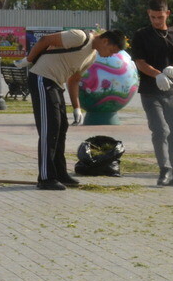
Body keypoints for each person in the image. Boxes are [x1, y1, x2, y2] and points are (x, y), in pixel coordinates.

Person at [20, 28, 125, 190]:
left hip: (56, 84)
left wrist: (77, 108)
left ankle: (60, 173)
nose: (111, 55)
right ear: (105, 41)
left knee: (61, 127)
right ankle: (46, 178)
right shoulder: (79, 37)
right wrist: (29, 59)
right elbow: (45, 40)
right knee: (50, 129)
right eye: (112, 51)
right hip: (41, 78)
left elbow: (74, 80)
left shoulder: (91, 56)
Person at [130, 0, 173, 187]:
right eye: (153, 17)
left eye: (160, 17)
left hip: (171, 91)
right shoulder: (141, 35)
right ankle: (164, 169)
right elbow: (140, 62)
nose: (156, 21)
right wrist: (157, 75)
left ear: (167, 14)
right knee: (160, 130)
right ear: (149, 14)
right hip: (150, 91)